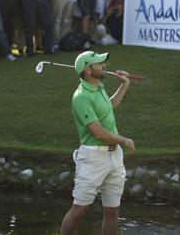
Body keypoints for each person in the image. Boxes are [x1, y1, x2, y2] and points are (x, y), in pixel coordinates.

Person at [60, 51, 135, 235]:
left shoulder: (99, 87)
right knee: (79, 210)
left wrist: (124, 86)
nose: (105, 66)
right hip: (93, 157)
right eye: (100, 63)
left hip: (114, 157)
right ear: (87, 69)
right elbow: (98, 132)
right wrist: (123, 140)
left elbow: (108, 108)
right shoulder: (81, 97)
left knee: (112, 211)